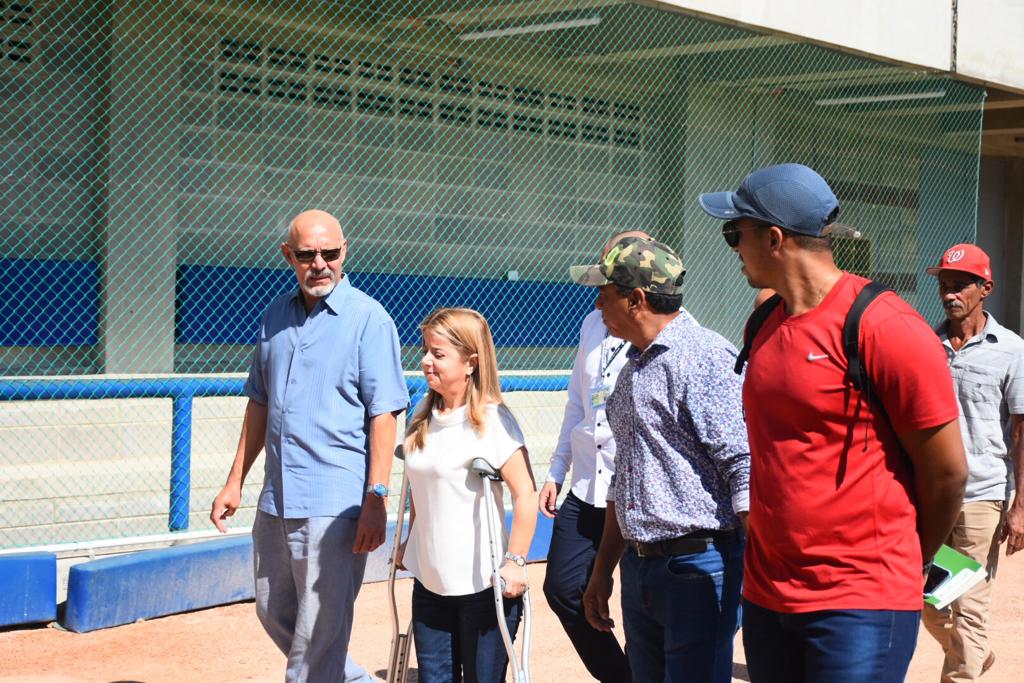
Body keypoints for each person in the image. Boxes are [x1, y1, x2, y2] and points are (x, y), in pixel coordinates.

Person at [699, 163, 968, 682]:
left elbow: (947, 473)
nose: (731, 246)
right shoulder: (763, 322)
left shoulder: (885, 327)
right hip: (767, 595)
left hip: (860, 602)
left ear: (774, 238)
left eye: (736, 232)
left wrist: (911, 560)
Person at [209, 209, 409, 682]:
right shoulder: (274, 315)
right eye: (306, 254)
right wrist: (234, 481)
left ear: (345, 252)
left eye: (330, 253)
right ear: (288, 256)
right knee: (273, 610)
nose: (319, 264)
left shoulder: (369, 320)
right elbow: (258, 403)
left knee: (318, 636)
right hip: (276, 500)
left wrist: (376, 497)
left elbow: (385, 416)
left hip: (336, 506)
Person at [576, 237, 750, 683]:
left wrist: (757, 571)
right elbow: (624, 477)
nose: (597, 303)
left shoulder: (705, 358)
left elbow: (743, 467)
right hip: (641, 569)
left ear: (636, 300)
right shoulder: (634, 366)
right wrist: (604, 570)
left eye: (606, 292)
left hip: (697, 567)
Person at [397, 308, 538, 683]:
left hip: (483, 584)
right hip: (430, 581)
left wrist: (516, 561)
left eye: (438, 354)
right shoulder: (421, 416)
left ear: (471, 363)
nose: (426, 361)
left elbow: (525, 494)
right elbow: (418, 489)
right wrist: (409, 542)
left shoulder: (494, 421)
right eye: (425, 350)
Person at [921, 243, 1024, 682]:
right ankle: (974, 656)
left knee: (969, 604)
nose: (950, 293)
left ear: (986, 288)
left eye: (960, 284)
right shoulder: (925, 343)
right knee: (928, 600)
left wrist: (1020, 508)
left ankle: (963, 671)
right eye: (945, 284)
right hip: (932, 492)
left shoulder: (1012, 350)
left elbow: (1021, 432)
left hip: (983, 496)